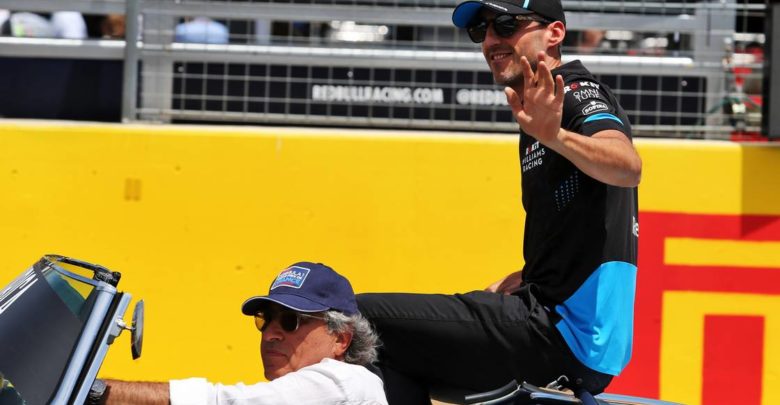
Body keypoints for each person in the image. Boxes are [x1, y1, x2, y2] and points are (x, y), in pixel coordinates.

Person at [357, 0, 642, 403]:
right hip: (565, 331)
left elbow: (627, 166)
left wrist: (555, 136)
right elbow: (588, 225)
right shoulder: (540, 114)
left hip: (556, 334)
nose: (491, 40)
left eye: (506, 24)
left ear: (555, 33)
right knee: (389, 354)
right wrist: (531, 275)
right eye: (482, 31)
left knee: (349, 320)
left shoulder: (575, 92)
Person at [99, 262, 388, 404]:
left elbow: (223, 403)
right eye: (266, 319)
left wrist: (98, 392)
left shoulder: (348, 381)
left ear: (341, 339)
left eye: (290, 321)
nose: (270, 334)